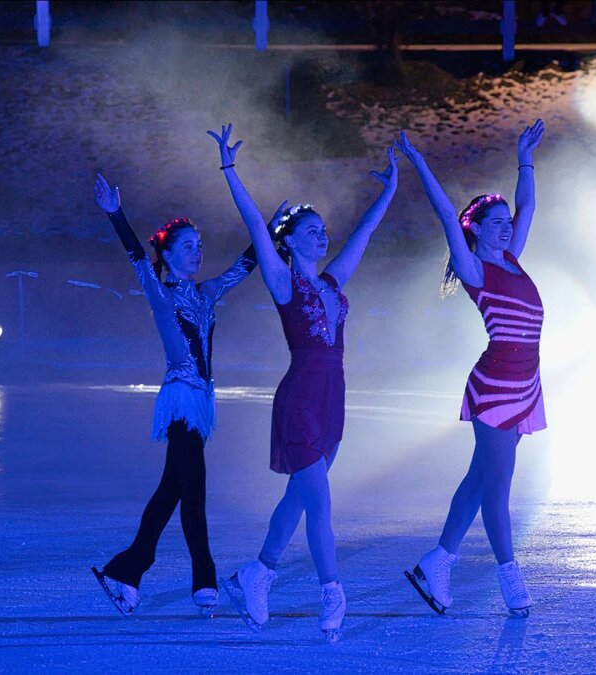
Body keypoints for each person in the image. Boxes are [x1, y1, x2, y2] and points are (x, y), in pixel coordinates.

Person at [207, 123, 398, 642]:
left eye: (322, 229)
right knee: (319, 502)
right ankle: (333, 595)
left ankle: (257, 574)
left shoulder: (332, 281)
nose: (322, 234)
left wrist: (389, 192)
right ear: (288, 241)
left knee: (297, 499)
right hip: (299, 402)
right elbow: (252, 220)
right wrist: (229, 170)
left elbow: (362, 234)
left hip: (333, 401)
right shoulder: (283, 280)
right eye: (310, 230)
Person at [90, 172, 262, 618]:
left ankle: (126, 571)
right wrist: (115, 214)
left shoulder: (206, 293)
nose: (198, 251)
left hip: (201, 402)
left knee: (172, 490)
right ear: (166, 255)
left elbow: (245, 267)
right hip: (182, 400)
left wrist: (273, 231)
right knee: (195, 488)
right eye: (188, 246)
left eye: (199, 245)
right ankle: (203, 578)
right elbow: (134, 257)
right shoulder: (160, 292)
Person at [395, 120, 546, 617]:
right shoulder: (476, 269)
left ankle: (438, 560)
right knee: (497, 490)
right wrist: (418, 162)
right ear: (475, 230)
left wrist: (523, 157)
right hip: (496, 389)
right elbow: (444, 214)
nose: (507, 225)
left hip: (525, 386)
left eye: (507, 220)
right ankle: (510, 578)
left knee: (479, 481)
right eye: (496, 221)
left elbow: (528, 206)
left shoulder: (512, 258)